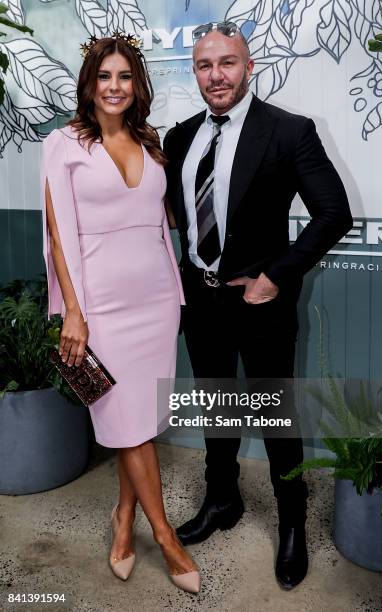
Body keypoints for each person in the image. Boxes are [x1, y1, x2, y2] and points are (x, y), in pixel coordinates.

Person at [163, 21, 353, 590]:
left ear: (249, 67)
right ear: (193, 72)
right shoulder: (179, 138)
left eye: (226, 63)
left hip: (260, 297)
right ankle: (223, 500)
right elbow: (179, 215)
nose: (215, 75)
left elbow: (333, 214)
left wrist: (275, 274)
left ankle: (292, 521)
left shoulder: (290, 131)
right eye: (203, 65)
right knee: (216, 406)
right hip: (200, 297)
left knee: (275, 417)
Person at [41, 32, 200, 593]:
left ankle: (124, 518)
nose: (114, 86)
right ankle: (166, 535)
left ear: (137, 85)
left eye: (125, 76)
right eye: (104, 76)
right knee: (128, 424)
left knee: (140, 420)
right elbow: (60, 236)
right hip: (101, 307)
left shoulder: (149, 139)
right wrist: (73, 314)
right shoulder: (64, 144)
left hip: (156, 299)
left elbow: (163, 220)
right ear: (89, 83)